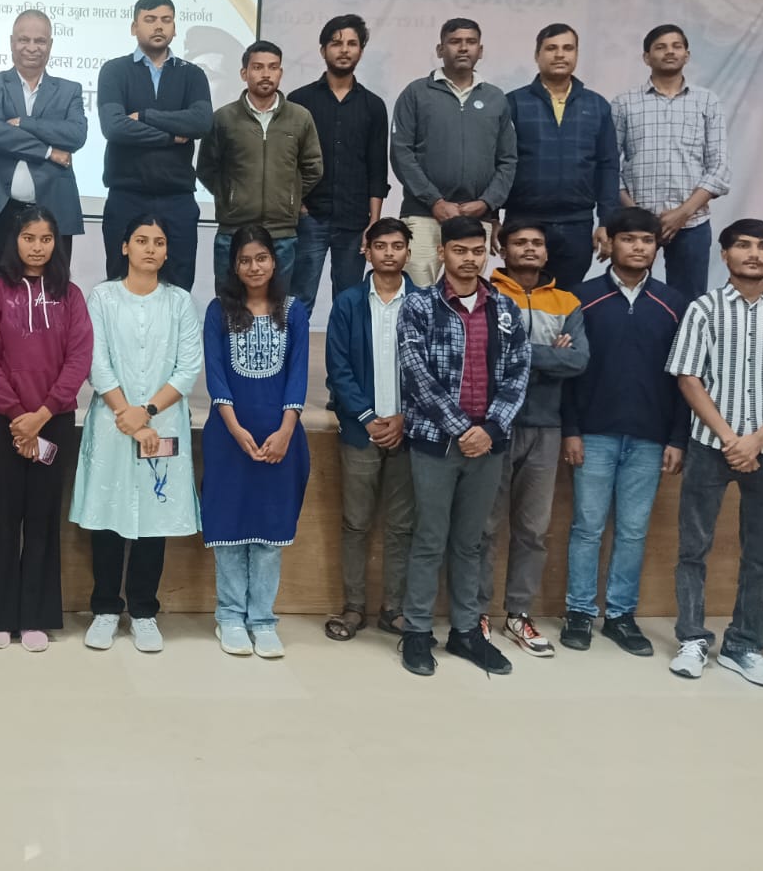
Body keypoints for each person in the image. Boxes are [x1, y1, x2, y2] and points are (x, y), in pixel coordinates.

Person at [665, 218, 763, 688]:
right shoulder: (704, 309)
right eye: (742, 245)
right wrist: (729, 438)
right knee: (694, 547)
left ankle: (743, 646)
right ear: (724, 255)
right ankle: (692, 639)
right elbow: (688, 378)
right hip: (710, 446)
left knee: (761, 554)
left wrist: (758, 438)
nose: (753, 254)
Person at [395, 216, 530, 677]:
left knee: (471, 541)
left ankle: (466, 631)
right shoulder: (420, 306)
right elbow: (416, 373)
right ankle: (417, 632)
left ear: (488, 253)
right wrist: (461, 429)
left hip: (488, 445)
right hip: (436, 442)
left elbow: (519, 372)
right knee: (429, 539)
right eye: (460, 250)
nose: (470, 259)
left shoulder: (505, 309)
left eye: (477, 251)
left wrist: (490, 428)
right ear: (442, 253)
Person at [71, 215, 203, 653]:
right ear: (125, 246)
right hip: (113, 422)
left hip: (160, 422)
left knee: (153, 518)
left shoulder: (179, 302)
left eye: (159, 242)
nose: (150, 249)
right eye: (142, 241)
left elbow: (187, 367)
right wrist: (124, 411)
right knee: (109, 515)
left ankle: (144, 612)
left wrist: (145, 413)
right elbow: (95, 359)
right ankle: (106, 609)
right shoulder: (103, 297)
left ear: (167, 252)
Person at [560, 206, 687, 656]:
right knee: (587, 527)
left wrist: (677, 438)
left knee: (633, 530)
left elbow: (685, 377)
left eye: (647, 240)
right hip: (593, 434)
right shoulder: (581, 298)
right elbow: (568, 373)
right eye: (629, 239)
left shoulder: (675, 304)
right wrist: (571, 430)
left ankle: (620, 615)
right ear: (610, 243)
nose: (638, 247)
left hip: (651, 439)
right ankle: (578, 611)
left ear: (657, 247)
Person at [0, 205, 92, 652]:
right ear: (15, 241)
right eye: (29, 238)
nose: (38, 247)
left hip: (53, 422)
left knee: (42, 520)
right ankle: (1, 616)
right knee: (5, 520)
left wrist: (42, 415)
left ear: (56, 243)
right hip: (2, 422)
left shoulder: (71, 296)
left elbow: (78, 359)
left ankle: (36, 617)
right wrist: (17, 416)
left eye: (46, 239)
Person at [478, 219, 588, 657]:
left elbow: (578, 361)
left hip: (546, 427)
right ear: (502, 250)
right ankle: (477, 612)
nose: (529, 249)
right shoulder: (487, 295)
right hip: (493, 425)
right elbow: (487, 355)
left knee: (533, 530)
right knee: (484, 527)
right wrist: (547, 355)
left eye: (537, 243)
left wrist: (520, 352)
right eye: (520, 242)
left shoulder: (567, 302)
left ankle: (518, 614)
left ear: (546, 252)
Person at [201, 226, 310, 659]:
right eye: (244, 260)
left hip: (280, 439)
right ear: (234, 266)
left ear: (275, 261)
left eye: (261, 258)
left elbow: (298, 373)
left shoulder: (293, 311)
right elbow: (216, 374)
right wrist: (234, 427)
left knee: (269, 531)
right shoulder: (218, 310)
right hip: (229, 438)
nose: (254, 267)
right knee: (228, 528)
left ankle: (262, 619)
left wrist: (285, 431)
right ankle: (229, 616)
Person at [323, 217, 416, 641]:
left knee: (401, 526)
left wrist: (404, 418)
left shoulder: (424, 302)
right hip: (362, 431)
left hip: (408, 432)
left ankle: (393, 609)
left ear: (408, 252)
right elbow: (338, 367)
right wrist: (366, 417)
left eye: (397, 246)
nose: (389, 253)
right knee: (356, 522)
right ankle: (353, 607)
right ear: (367, 251)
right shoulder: (348, 302)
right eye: (381, 246)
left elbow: (432, 368)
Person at [96, 0, 213, 290]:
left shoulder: (192, 74)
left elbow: (201, 122)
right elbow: (114, 127)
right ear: (134, 27)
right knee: (120, 283)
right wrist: (172, 136)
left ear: (174, 28)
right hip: (126, 195)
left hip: (177, 198)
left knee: (178, 285)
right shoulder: (114, 71)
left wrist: (146, 115)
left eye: (166, 20)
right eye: (149, 20)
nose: (158, 26)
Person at [389, 18, 518, 287]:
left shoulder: (495, 98)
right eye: (455, 41)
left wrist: (487, 203)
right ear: (440, 49)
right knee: (418, 296)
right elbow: (401, 153)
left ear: (480, 50)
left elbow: (507, 160)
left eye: (470, 42)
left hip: (476, 217)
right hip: (423, 215)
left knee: (466, 295)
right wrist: (434, 201)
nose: (463, 48)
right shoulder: (416, 93)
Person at [0, 10, 87, 285]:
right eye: (24, 40)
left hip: (52, 210)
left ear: (50, 45)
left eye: (40, 41)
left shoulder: (69, 90)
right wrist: (48, 151)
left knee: (51, 296)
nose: (32, 47)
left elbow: (76, 135)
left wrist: (23, 123)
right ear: (11, 42)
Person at [613, 24, 730, 302]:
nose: (669, 52)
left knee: (689, 302)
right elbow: (608, 167)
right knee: (631, 299)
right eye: (660, 47)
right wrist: (636, 214)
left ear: (686, 55)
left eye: (676, 46)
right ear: (646, 57)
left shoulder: (707, 101)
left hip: (692, 223)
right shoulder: (624, 103)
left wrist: (682, 213)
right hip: (636, 225)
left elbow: (719, 168)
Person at [502, 24, 620, 290]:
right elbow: (498, 164)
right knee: (519, 298)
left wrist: (607, 222)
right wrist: (492, 218)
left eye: (568, 48)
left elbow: (608, 166)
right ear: (537, 55)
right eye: (551, 48)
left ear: (576, 54)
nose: (559, 55)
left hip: (576, 223)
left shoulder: (596, 105)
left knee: (566, 299)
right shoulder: (513, 103)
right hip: (523, 220)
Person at [197, 38, 322, 285]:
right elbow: (206, 168)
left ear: (280, 73)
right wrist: (231, 196)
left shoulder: (300, 117)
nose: (266, 74)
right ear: (244, 73)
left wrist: (289, 196)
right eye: (258, 67)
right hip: (233, 231)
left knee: (278, 303)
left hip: (281, 233)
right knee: (229, 302)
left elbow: (313, 167)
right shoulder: (224, 118)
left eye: (273, 67)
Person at [287, 14, 389, 315]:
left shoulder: (373, 105)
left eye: (352, 44)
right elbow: (288, 162)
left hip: (354, 220)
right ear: (323, 50)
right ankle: (294, 349)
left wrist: (373, 222)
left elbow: (377, 167)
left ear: (361, 51)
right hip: (309, 217)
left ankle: (343, 351)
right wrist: (298, 206)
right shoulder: (299, 100)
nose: (344, 50)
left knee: (349, 302)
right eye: (336, 43)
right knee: (299, 299)